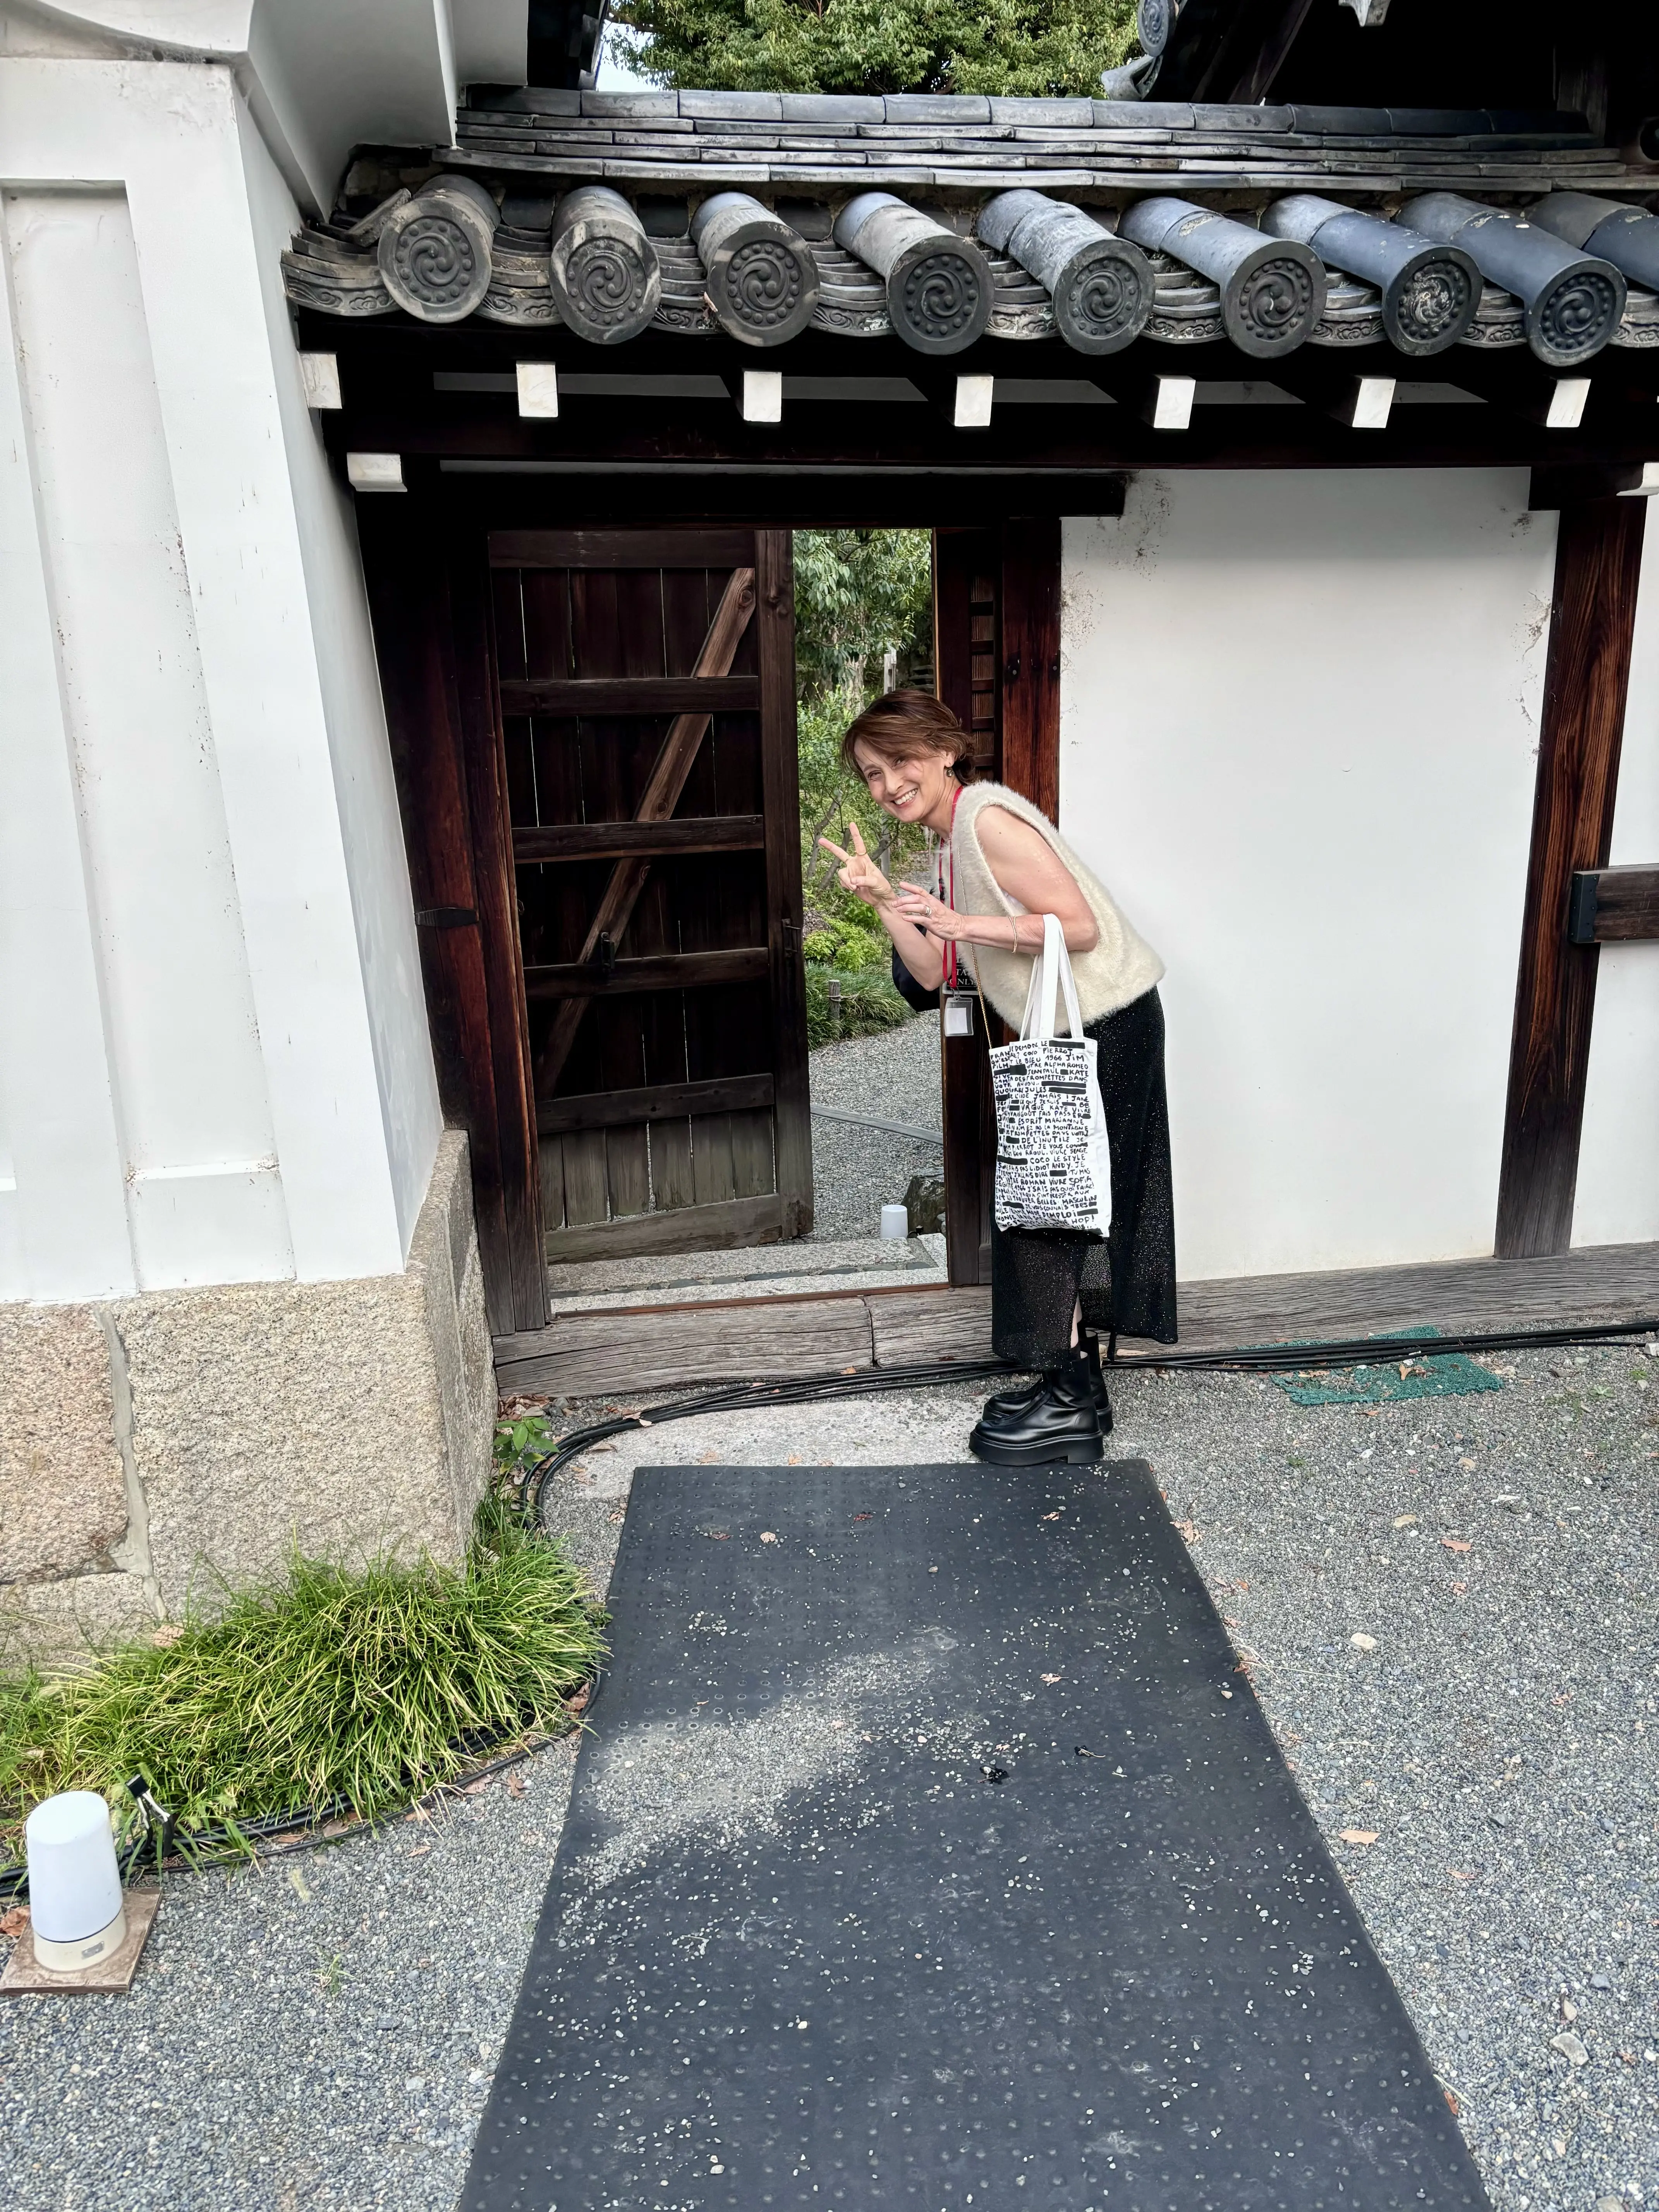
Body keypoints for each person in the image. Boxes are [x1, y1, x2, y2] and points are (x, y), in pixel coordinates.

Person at [818, 689, 1176, 1465]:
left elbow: (1076, 927)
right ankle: (1071, 1387)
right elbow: (937, 971)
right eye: (872, 774)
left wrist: (965, 923)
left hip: (1107, 1023)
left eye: (900, 762)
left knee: (1050, 1208)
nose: (887, 786)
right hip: (1083, 1026)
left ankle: (1069, 1396)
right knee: (1046, 1202)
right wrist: (886, 901)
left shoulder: (986, 818)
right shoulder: (953, 845)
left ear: (945, 751)